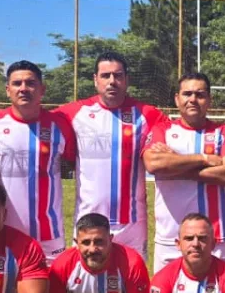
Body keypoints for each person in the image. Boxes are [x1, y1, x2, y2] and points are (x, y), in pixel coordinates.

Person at [56, 51, 169, 256]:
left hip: (132, 224)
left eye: (118, 76)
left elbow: (182, 131)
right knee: (87, 275)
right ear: (95, 80)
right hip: (88, 222)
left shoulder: (147, 114)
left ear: (127, 80)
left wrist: (223, 127)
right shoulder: (74, 113)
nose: (112, 81)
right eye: (105, 75)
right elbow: (33, 119)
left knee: (131, 275)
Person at [143, 72, 225, 272]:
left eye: (200, 94)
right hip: (170, 236)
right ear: (177, 99)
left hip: (215, 237)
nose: (193, 99)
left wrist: (175, 165)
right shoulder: (162, 130)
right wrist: (203, 159)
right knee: (167, 292)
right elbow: (154, 164)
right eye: (187, 94)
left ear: (209, 100)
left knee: (215, 291)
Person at [0, 60, 76, 265]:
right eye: (17, 83)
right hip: (3, 231)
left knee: (51, 285)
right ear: (8, 90)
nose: (23, 88)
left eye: (30, 83)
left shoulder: (60, 125)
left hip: (49, 234)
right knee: (4, 285)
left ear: (42, 89)